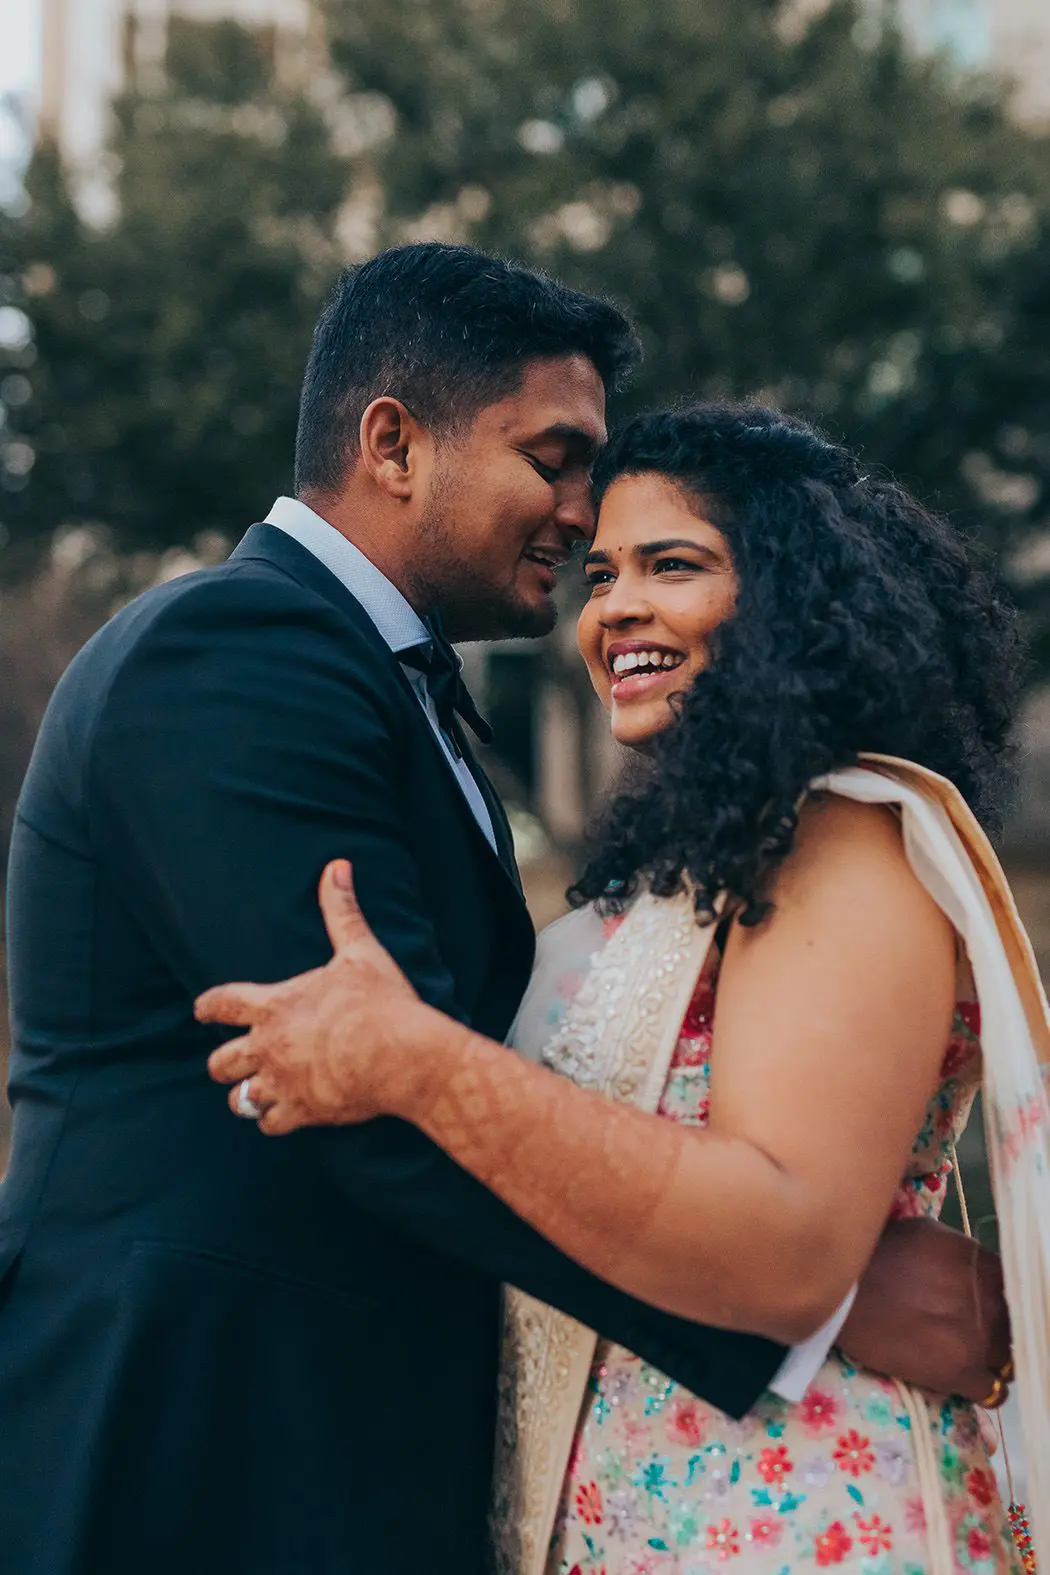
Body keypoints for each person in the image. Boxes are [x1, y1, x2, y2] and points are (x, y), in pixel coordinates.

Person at [1, 245, 1008, 1575]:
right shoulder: (235, 653)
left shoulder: (400, 691)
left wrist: (779, 1271)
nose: (580, 517)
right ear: (393, 444)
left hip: (407, 1451)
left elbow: (426, 1067)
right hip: (191, 1428)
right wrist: (804, 1300)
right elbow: (362, 1096)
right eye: (554, 458)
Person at [199, 405, 1049, 1575]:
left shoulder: (846, 835)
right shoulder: (696, 866)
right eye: (601, 576)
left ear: (793, 595)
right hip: (635, 1511)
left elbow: (786, 1244)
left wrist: (419, 1064)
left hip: (801, 1517)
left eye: (673, 565)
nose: (615, 609)